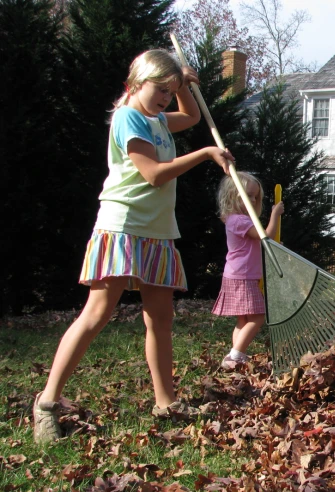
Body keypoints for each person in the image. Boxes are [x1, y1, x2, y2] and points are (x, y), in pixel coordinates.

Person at [32, 49, 234, 444]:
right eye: (160, 89)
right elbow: (155, 174)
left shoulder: (158, 119)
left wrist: (187, 87)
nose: (164, 98)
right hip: (122, 227)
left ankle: (166, 402)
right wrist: (207, 153)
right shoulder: (128, 118)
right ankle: (46, 403)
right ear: (136, 83)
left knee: (160, 319)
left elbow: (191, 117)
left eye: (169, 91)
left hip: (158, 230)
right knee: (96, 314)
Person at [211, 171, 284, 370]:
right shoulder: (241, 221)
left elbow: (259, 243)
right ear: (233, 197)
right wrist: (275, 214)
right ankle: (235, 355)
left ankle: (236, 357)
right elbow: (266, 236)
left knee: (243, 319)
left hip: (237, 274)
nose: (252, 200)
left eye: (255, 196)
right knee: (258, 316)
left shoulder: (235, 220)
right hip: (242, 276)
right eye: (248, 195)